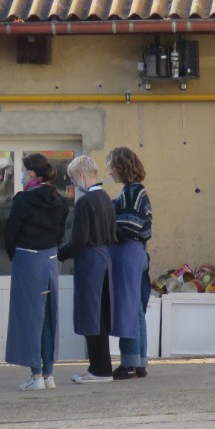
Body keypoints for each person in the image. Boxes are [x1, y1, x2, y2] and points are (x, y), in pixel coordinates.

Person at [4, 153, 69, 391]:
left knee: (31, 318)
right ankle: (49, 374)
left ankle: (36, 375)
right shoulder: (59, 200)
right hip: (50, 259)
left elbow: (10, 235)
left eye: (23, 170)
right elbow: (61, 233)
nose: (21, 174)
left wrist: (17, 256)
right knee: (49, 317)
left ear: (32, 173)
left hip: (27, 259)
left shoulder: (22, 200)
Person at [58, 155, 117, 383]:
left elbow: (79, 240)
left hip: (89, 261)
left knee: (92, 315)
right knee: (100, 312)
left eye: (73, 178)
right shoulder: (105, 198)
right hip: (104, 258)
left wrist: (60, 252)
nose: (74, 183)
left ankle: (101, 370)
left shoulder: (85, 202)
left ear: (81, 175)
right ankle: (97, 367)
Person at [106, 147, 153, 380]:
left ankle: (128, 364)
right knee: (135, 310)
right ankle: (139, 363)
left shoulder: (132, 193)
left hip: (128, 253)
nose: (110, 172)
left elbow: (128, 228)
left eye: (112, 167)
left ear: (121, 167)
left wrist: (106, 222)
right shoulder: (135, 192)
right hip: (136, 253)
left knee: (127, 309)